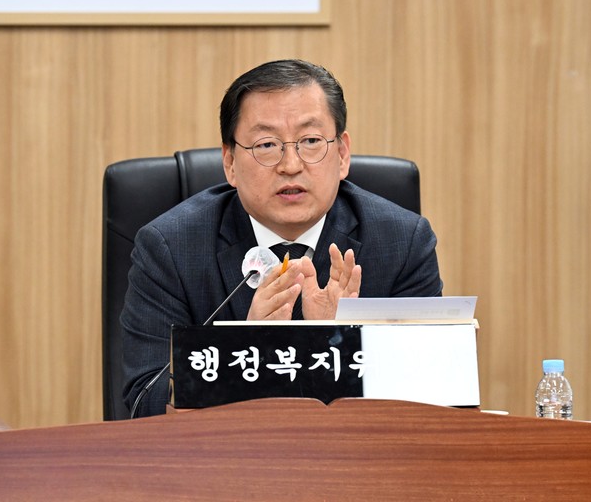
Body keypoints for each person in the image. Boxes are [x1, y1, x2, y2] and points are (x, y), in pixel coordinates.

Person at [121, 59, 442, 416]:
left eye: (310, 141)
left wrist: (339, 343)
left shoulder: (402, 242)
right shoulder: (170, 248)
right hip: (228, 452)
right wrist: (245, 349)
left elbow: (432, 398)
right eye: (266, 145)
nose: (291, 165)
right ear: (229, 162)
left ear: (342, 154)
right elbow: (143, 404)